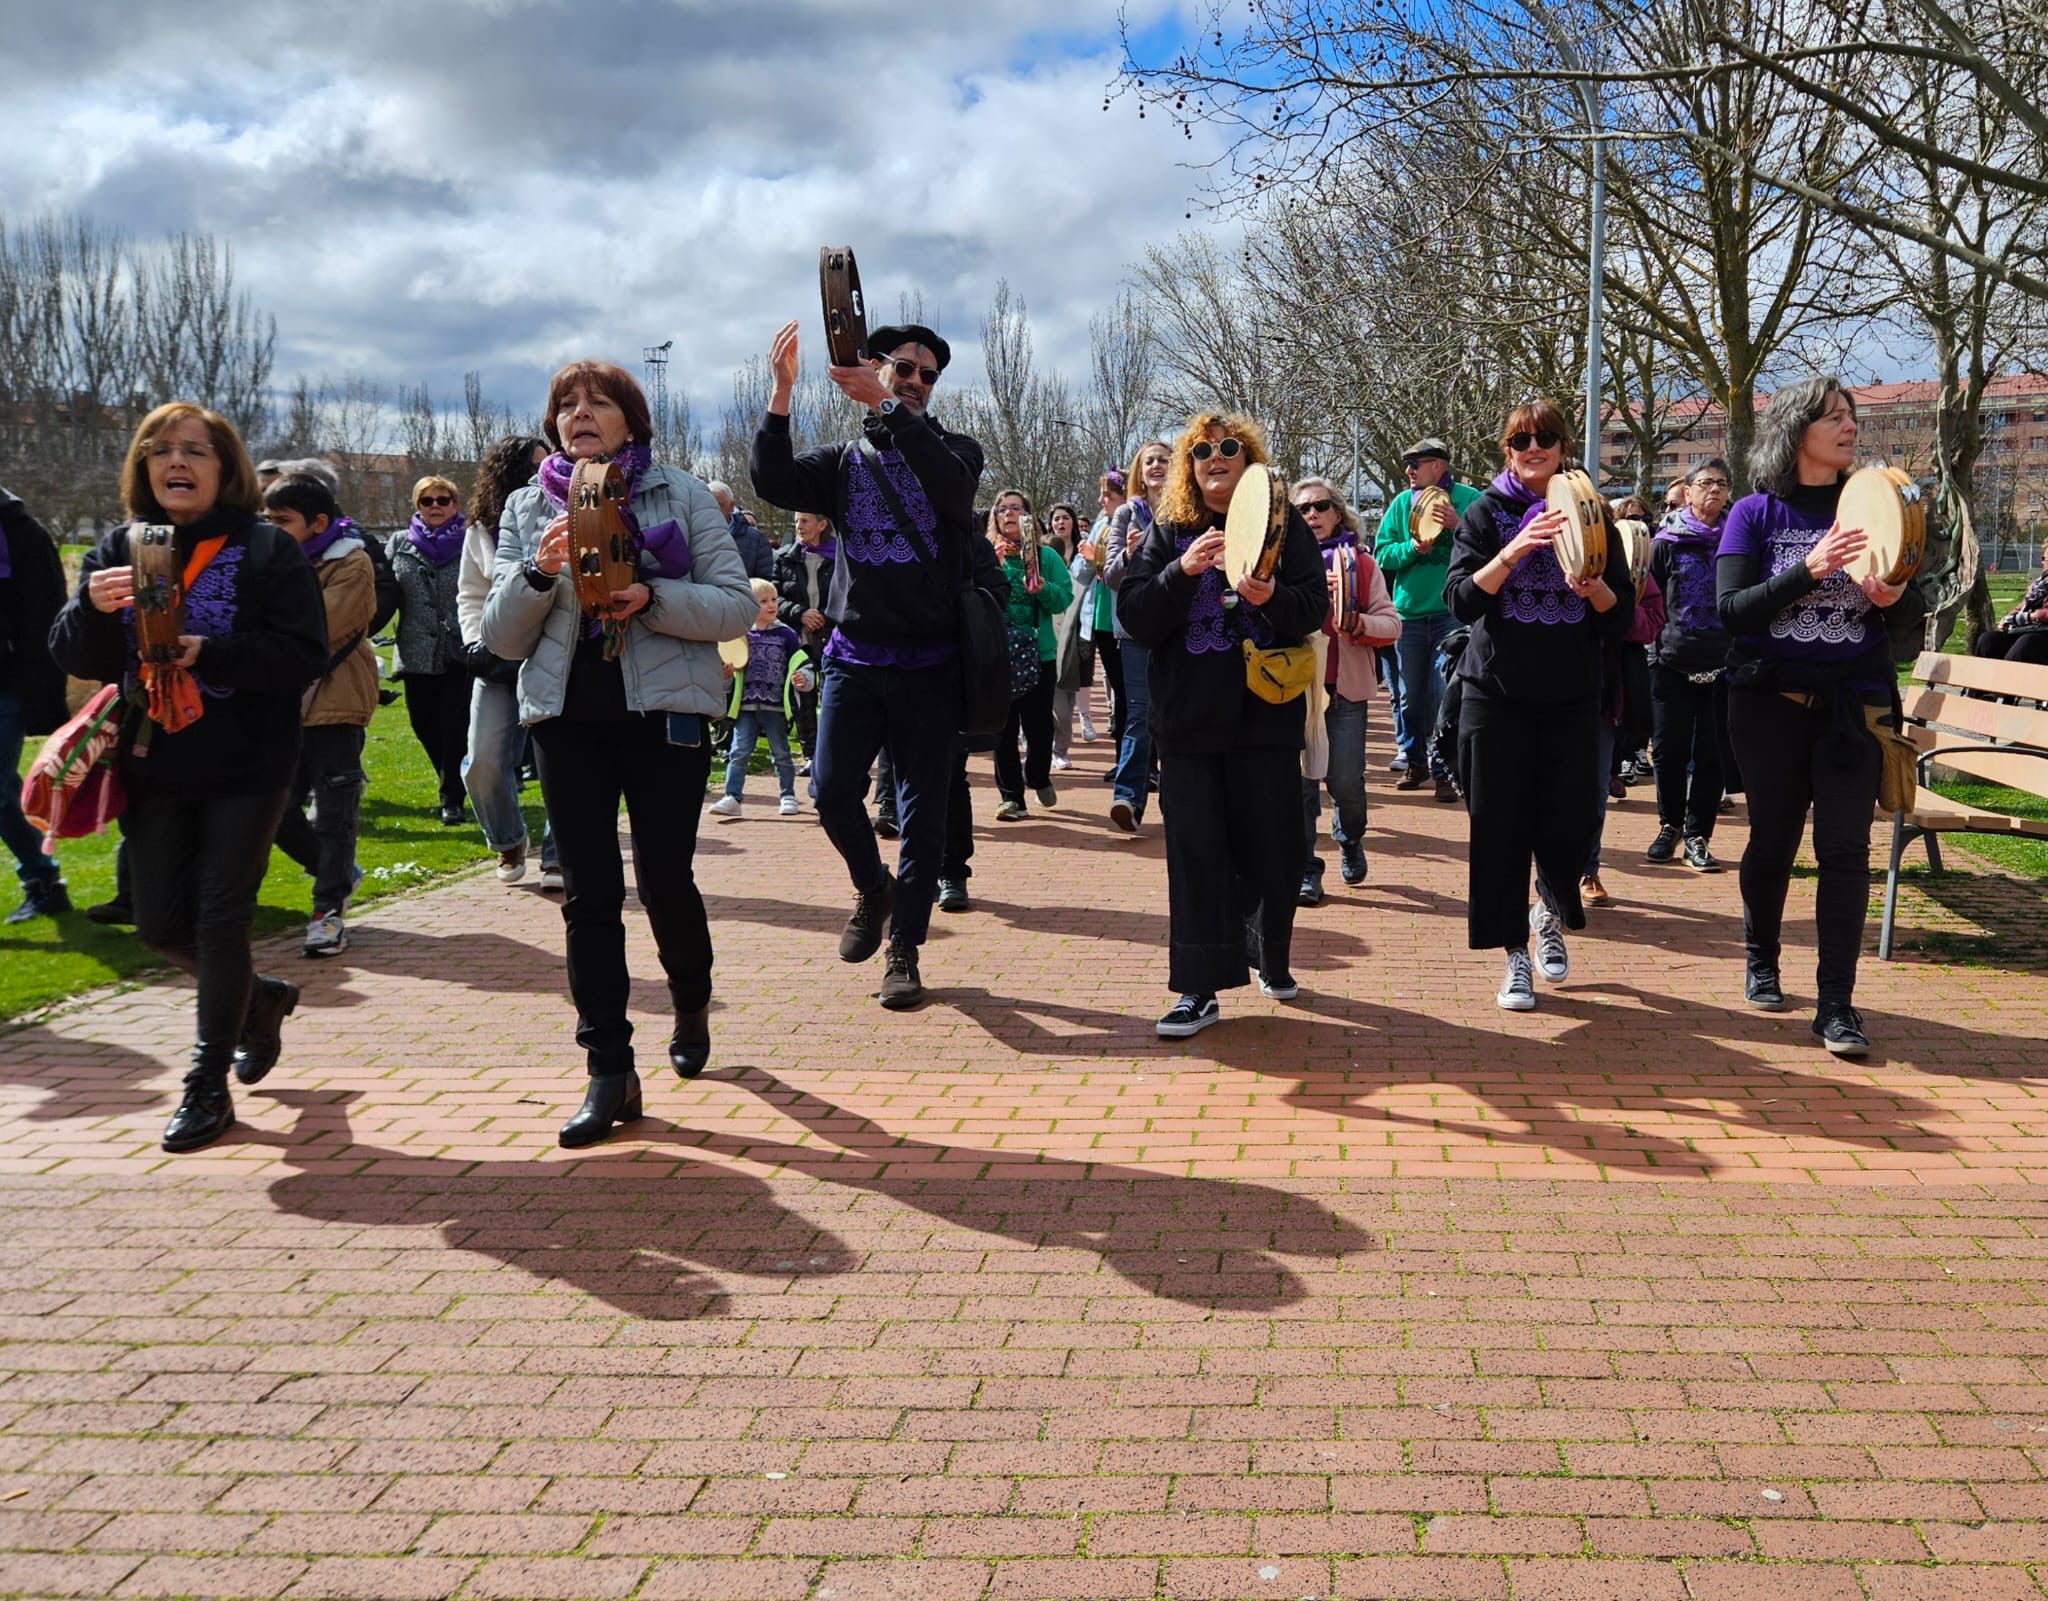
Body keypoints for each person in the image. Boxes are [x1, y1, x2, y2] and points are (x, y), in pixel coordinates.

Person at [485, 359, 755, 1146]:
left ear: (631, 421)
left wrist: (653, 597)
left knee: (666, 880)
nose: (580, 413)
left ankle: (691, 997)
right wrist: (539, 567)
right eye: (566, 404)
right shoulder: (527, 504)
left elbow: (737, 603)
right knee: (588, 896)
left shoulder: (682, 491)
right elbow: (501, 636)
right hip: (566, 719)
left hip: (665, 716)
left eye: (598, 401)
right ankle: (609, 1068)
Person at [49, 402, 328, 1151]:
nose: (177, 461)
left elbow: (302, 656)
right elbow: (76, 655)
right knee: (159, 924)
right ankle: (258, 1000)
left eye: (195, 450)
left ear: (224, 465)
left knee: (218, 916)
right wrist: (89, 604)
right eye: (160, 449)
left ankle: (206, 1084)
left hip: (248, 763)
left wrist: (209, 650)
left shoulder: (266, 547)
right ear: (142, 466)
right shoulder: (121, 545)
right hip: (155, 761)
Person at [749, 318, 1000, 1010]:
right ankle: (872, 886)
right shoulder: (840, 462)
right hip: (855, 660)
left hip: (932, 665)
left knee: (923, 817)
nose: (916, 381)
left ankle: (905, 951)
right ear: (875, 366)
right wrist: (782, 392)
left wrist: (885, 406)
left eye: (928, 374)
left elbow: (953, 493)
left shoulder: (956, 449)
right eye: (904, 368)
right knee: (831, 791)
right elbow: (771, 479)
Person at [1717, 377, 1917, 1057]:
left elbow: (1910, 630)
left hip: (1851, 708)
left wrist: (1890, 596)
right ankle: (1762, 955)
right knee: (1772, 842)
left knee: (1843, 852)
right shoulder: (1755, 513)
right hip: (1768, 705)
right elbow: (1732, 612)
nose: (1849, 427)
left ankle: (1837, 1004)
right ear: (1796, 429)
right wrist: (1808, 567)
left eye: (1851, 416)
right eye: (1833, 416)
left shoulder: (1876, 505)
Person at [1117, 412, 1329, 1036]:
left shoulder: (1285, 530)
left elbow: (1313, 607)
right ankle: (1198, 989)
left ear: (1249, 462)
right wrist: (1180, 572)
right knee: (1195, 855)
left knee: (1274, 851)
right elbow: (1134, 616)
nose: (1216, 456)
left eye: (1229, 448)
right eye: (1202, 449)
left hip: (1265, 718)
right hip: (1187, 724)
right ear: (1190, 465)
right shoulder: (1168, 530)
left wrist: (1271, 598)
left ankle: (1270, 954)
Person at [1447, 400, 1637, 1012]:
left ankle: (1548, 913)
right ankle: (1515, 956)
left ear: (1562, 447)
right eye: (1522, 439)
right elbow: (1460, 601)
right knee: (1500, 829)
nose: (1534, 447)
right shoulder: (1485, 512)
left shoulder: (1594, 513)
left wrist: (1596, 587)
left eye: (1546, 438)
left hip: (1572, 697)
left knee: (1569, 824)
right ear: (1508, 449)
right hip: (1495, 696)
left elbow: (1626, 616)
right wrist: (1515, 551)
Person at [263, 474, 378, 957]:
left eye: (282, 521)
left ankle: (326, 912)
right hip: (280, 704)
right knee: (272, 810)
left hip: (337, 702)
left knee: (335, 814)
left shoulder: (351, 562)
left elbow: (315, 631)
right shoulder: (264, 561)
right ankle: (339, 873)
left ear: (319, 524)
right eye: (266, 520)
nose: (271, 529)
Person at [458, 435, 556, 886]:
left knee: (561, 758)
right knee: (482, 760)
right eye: (531, 467)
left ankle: (558, 850)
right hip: (497, 657)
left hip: (552, 654)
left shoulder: (563, 511)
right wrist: (478, 639)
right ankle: (507, 839)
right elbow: (472, 592)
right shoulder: (480, 527)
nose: (541, 473)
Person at [1294, 478, 1399, 901]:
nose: (1312, 515)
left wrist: (1355, 621)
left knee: (1346, 784)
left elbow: (1392, 625)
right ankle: (1306, 870)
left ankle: (1350, 837)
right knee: (1300, 786)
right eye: (1303, 510)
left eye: (1320, 506)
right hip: (1295, 692)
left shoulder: (1361, 564)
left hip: (1344, 694)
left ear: (1338, 512)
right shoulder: (1281, 564)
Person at [1374, 438, 1482, 802]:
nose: (1409, 471)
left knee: (1441, 693)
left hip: (1451, 614)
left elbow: (1492, 547)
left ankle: (1441, 769)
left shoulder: (1470, 500)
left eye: (1415, 463)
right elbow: (1382, 554)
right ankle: (1414, 760)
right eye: (1408, 464)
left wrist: (1458, 525)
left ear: (1438, 466)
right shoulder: (1402, 503)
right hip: (1408, 614)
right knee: (1408, 696)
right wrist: (1412, 549)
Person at [1645, 458, 1735, 874]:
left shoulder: (1738, 540)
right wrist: (1653, 649)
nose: (1713, 490)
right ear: (1689, 490)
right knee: (1669, 750)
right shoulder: (1665, 542)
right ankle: (1669, 826)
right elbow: (1650, 598)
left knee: (1712, 754)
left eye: (1720, 483)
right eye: (1705, 483)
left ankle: (1698, 835)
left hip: (1723, 663)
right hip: (1672, 661)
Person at [1, 483, 71, 923]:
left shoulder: (21, 533)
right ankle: (42, 880)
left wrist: (41, 690)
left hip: (7, 681)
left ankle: (42, 880)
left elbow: (49, 615)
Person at [389, 475, 472, 825]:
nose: (435, 506)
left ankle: (451, 796)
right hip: (416, 650)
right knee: (423, 724)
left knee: (455, 726)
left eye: (443, 500)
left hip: (460, 649)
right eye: (427, 501)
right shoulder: (398, 543)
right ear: (417, 506)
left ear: (455, 504)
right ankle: (452, 778)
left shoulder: (471, 541)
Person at [990, 491, 1073, 820]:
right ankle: (1011, 797)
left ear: (1028, 516)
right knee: (1002, 729)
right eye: (1002, 509)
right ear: (995, 518)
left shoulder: (1045, 557)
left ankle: (1038, 776)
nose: (1008, 513)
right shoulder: (988, 556)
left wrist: (1043, 589)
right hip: (997, 656)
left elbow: (1063, 598)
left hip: (1039, 654)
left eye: (1016, 508)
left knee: (1039, 727)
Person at [1102, 441, 1171, 833]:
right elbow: (1110, 575)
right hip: (1135, 630)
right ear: (1139, 472)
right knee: (1140, 716)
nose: (1157, 466)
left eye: (1164, 459)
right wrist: (1129, 556)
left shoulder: (1187, 512)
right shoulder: (1127, 513)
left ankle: (1179, 800)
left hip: (1181, 628)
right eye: (1150, 461)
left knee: (1176, 714)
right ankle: (1128, 797)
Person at [709, 578, 811, 816]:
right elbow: (728, 673)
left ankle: (787, 796)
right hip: (745, 705)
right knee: (738, 752)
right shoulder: (739, 636)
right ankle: (732, 797)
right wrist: (726, 675)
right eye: (763, 601)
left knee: (781, 754)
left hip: (775, 705)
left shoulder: (786, 635)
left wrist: (803, 679)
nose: (771, 605)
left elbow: (801, 663)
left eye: (773, 599)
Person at [773, 510, 836, 768]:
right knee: (802, 697)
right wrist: (800, 614)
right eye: (797, 521)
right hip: (799, 640)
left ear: (822, 524)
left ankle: (833, 754)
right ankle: (811, 754)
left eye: (805, 521)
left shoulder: (840, 557)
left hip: (832, 640)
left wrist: (824, 616)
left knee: (831, 698)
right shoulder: (785, 558)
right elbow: (773, 596)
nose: (799, 526)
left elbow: (849, 593)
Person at [1074, 472, 1126, 746]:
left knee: (1129, 694)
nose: (1101, 501)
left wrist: (1099, 558)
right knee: (1119, 689)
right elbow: (1079, 572)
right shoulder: (1099, 525)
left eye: (1109, 496)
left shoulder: (1134, 521)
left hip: (1125, 621)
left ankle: (1141, 763)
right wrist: (1086, 559)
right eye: (1102, 495)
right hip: (1101, 618)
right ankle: (1122, 760)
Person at [1044, 501, 1087, 767]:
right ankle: (1042, 744)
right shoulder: (1038, 560)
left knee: (1064, 700)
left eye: (1065, 518)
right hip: (1046, 638)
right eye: (1056, 518)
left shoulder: (1082, 559)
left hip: (1074, 635)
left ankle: (1061, 748)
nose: (1061, 523)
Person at [1973, 541, 2048, 665]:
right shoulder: (2040, 584)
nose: (2042, 562)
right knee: (1988, 640)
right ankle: (1979, 683)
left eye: (2045, 559)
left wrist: (2030, 617)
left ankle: (2001, 682)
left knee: (2027, 643)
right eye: (2044, 558)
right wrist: (2008, 619)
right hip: (2027, 630)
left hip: (2042, 635)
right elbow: (2023, 605)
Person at [708, 481, 776, 580]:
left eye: (720, 505)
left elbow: (764, 583)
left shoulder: (756, 539)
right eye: (709, 504)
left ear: (731, 506)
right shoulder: (692, 534)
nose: (713, 510)